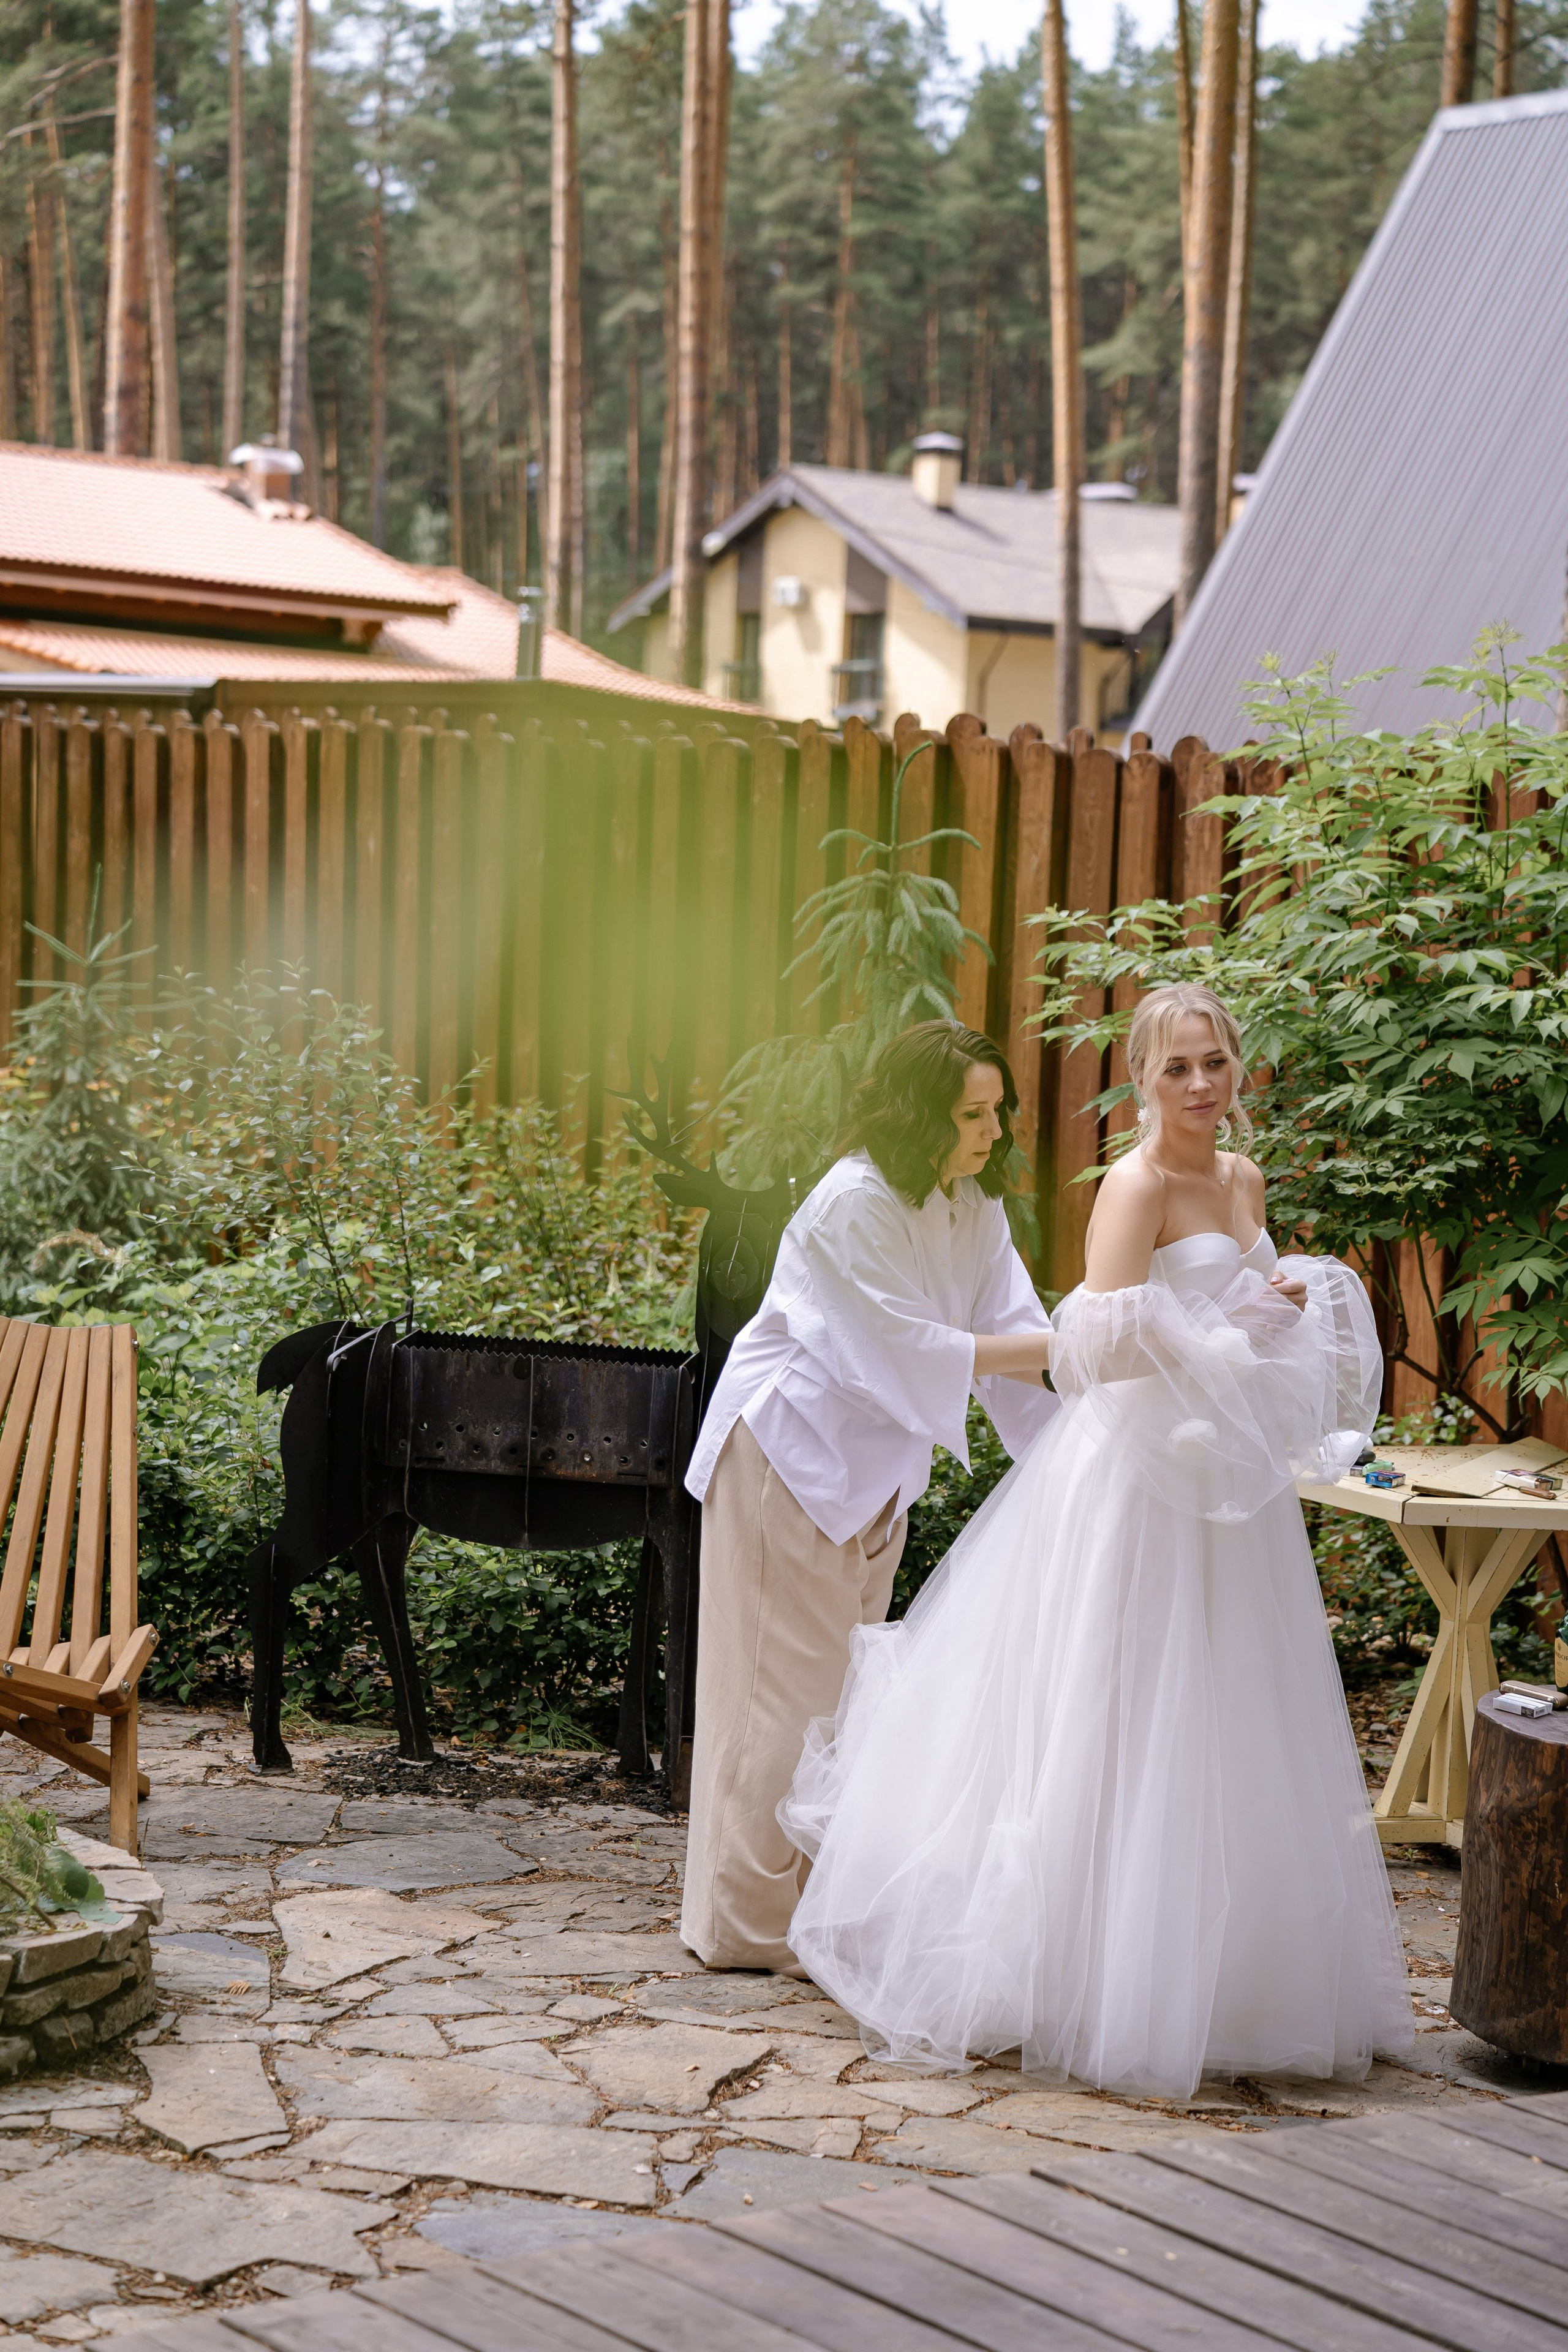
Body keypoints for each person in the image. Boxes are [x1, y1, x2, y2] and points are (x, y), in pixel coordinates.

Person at [781, 982, 1413, 2096]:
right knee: (1116, 1710)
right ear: (1142, 1081)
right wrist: (1230, 1330)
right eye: (1178, 1068)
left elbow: (1243, 1335)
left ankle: (1231, 1977)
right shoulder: (1133, 1185)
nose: (1202, 1086)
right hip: (1139, 1480)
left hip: (1225, 1491)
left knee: (1230, 1711)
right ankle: (1090, 1973)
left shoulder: (1242, 1179)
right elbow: (1092, 1352)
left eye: (1215, 1062)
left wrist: (1280, 1320)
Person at [680, 1020, 1057, 1973]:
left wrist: (1083, 1454)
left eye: (997, 1110)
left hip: (872, 1480)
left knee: (838, 1710)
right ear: (915, 1113)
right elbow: (911, 1353)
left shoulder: (971, 1208)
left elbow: (1017, 1341)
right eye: (970, 1113)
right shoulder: (854, 1200)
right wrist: (1075, 1345)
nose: (990, 1129)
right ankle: (744, 1930)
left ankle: (803, 1915)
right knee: (775, 1703)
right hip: (787, 1459)